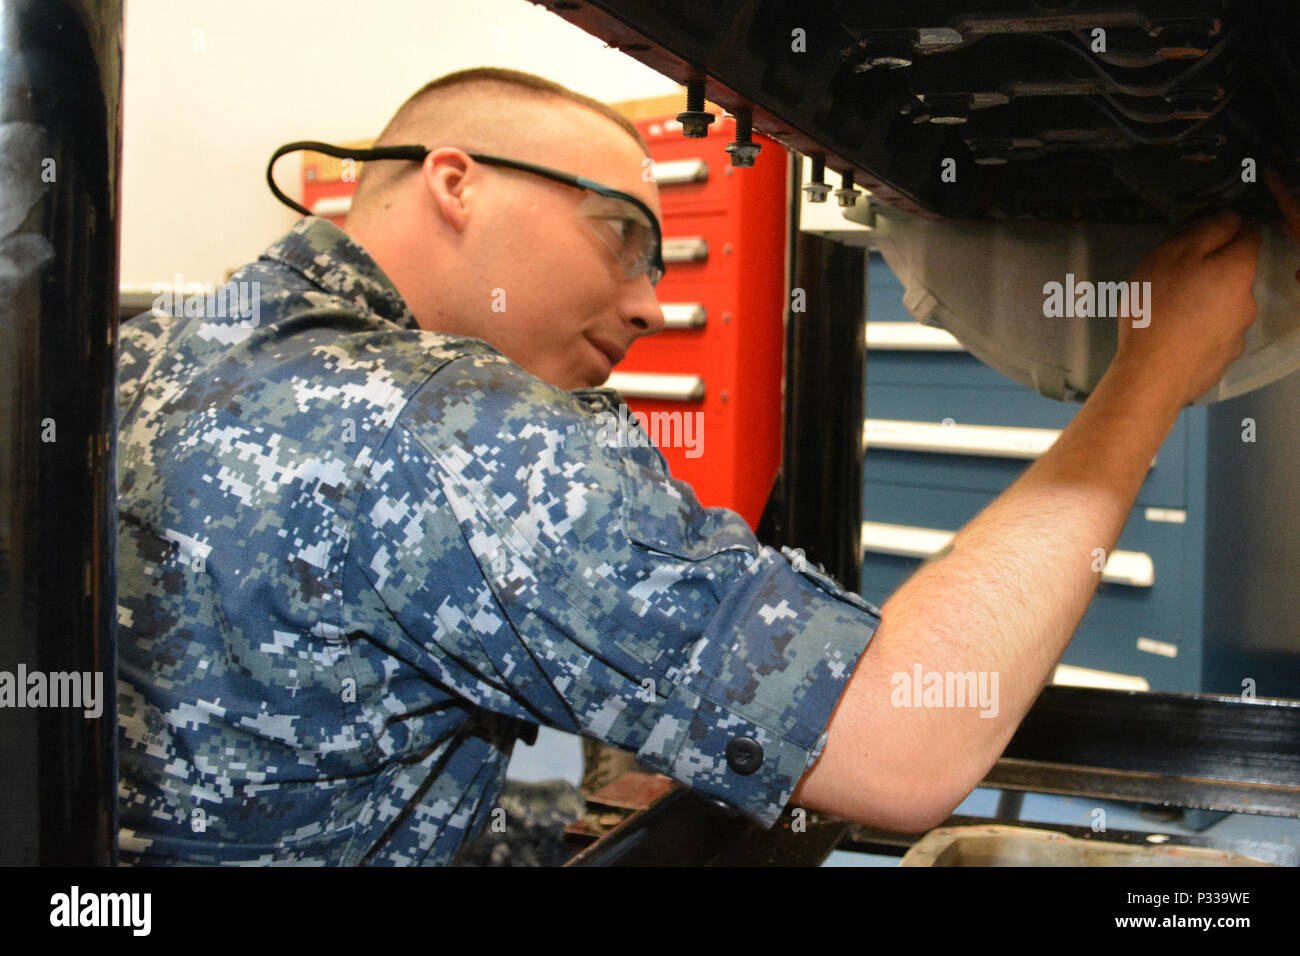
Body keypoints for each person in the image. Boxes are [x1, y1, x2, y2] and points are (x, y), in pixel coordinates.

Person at [115, 65, 1292, 865]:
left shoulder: (134, 343)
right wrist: (1153, 371)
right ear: (455, 181)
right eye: (623, 232)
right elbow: (904, 743)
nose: (644, 302)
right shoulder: (449, 425)